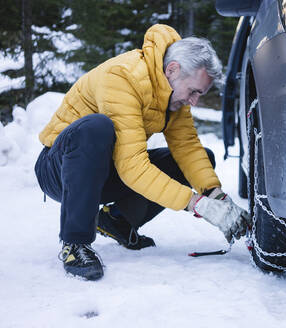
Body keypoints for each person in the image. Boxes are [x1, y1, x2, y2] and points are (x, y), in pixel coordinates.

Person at [34, 24, 251, 281]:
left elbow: (187, 148)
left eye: (199, 94)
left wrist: (216, 196)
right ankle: (75, 244)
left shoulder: (172, 92)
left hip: (105, 171)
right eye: (193, 91)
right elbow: (133, 167)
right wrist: (198, 205)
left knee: (200, 157)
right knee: (97, 128)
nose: (194, 101)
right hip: (60, 169)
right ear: (172, 70)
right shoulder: (123, 77)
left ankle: (117, 220)